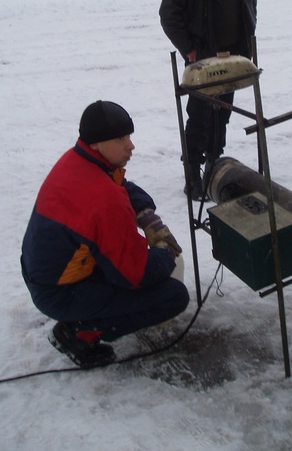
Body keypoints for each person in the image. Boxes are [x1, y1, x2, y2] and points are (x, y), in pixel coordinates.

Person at [21, 100, 189, 369]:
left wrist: (145, 212)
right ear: (97, 143)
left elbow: (121, 184)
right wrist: (165, 253)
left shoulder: (78, 159)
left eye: (129, 136)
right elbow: (133, 275)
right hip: (60, 292)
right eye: (121, 138)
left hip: (45, 276)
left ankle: (82, 316)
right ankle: (80, 333)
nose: (130, 145)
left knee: (122, 265)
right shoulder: (104, 200)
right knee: (173, 296)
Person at [159, 0, 257, 200]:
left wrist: (247, 45)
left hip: (232, 58)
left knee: (223, 113)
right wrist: (188, 48)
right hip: (202, 61)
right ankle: (193, 175)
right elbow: (168, 13)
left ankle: (214, 165)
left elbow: (251, 8)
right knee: (200, 117)